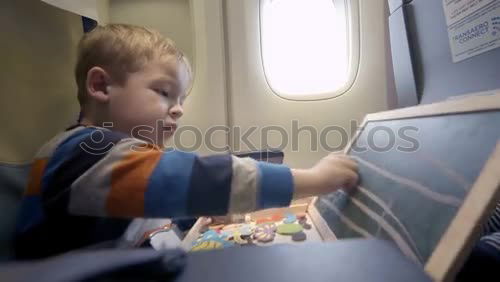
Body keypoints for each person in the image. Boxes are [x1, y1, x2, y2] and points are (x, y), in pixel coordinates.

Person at [14, 24, 359, 259]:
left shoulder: (113, 164)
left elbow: (146, 222)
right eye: (165, 93)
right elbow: (183, 177)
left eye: (181, 98)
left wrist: (193, 216)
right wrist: (313, 180)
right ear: (102, 86)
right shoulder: (81, 152)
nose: (178, 110)